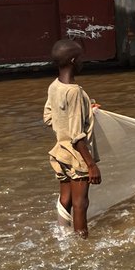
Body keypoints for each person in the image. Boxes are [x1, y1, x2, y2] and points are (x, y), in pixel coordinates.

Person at [44, 38, 102, 238]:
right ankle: (81, 242)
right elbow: (78, 138)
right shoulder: (75, 92)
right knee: (81, 203)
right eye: (81, 58)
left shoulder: (54, 86)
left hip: (61, 152)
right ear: (73, 60)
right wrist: (91, 165)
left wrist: (87, 111)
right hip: (78, 156)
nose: (83, 62)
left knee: (66, 199)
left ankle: (61, 236)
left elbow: (49, 117)